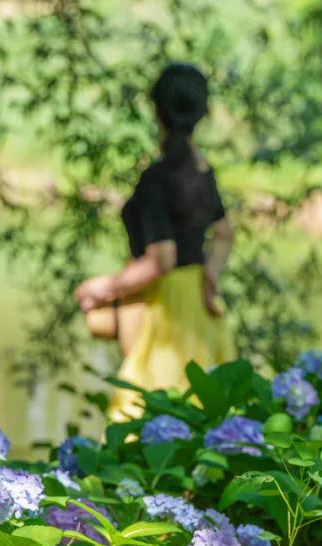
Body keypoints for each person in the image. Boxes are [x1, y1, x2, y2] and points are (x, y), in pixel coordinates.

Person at [76, 63, 236, 419]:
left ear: (157, 111)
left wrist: (102, 287)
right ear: (201, 113)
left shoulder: (157, 178)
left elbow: (161, 260)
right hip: (198, 306)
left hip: (162, 311)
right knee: (202, 416)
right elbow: (224, 234)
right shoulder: (202, 172)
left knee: (142, 417)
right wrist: (209, 280)